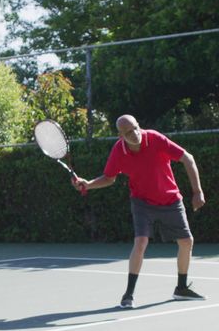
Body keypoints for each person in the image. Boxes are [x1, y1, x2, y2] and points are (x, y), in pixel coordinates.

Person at [72, 114, 206, 309]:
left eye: (135, 128)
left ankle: (181, 288)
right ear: (120, 136)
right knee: (141, 241)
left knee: (187, 242)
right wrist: (88, 184)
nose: (134, 134)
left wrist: (197, 191)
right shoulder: (119, 151)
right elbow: (109, 178)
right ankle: (128, 294)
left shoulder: (155, 138)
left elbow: (188, 159)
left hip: (170, 199)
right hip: (142, 202)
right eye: (128, 132)